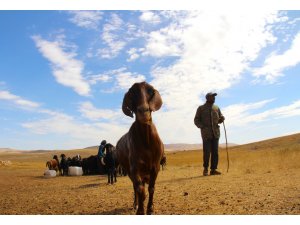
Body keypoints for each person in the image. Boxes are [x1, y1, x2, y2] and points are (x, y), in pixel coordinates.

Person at [194, 92, 225, 176]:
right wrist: (202, 127)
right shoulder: (201, 108)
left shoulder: (216, 108)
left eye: (214, 97)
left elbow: (219, 118)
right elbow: (196, 120)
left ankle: (213, 170)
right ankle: (205, 169)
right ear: (207, 98)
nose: (214, 98)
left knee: (215, 152)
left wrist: (221, 119)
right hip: (206, 134)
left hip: (216, 133)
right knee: (207, 152)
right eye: (212, 97)